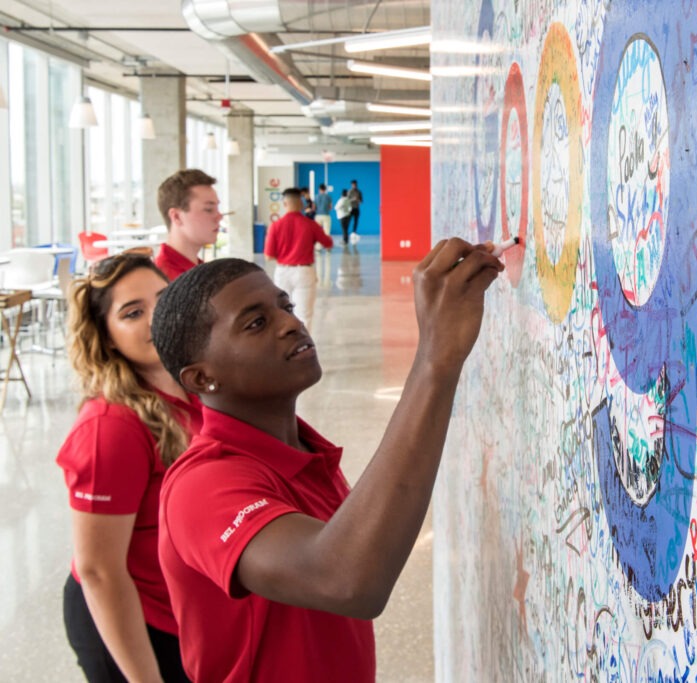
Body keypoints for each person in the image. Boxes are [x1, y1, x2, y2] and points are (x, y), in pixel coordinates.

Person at [149, 240, 501, 682]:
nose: (291, 324)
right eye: (257, 323)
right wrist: (435, 359)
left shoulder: (303, 453)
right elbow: (347, 579)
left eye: (286, 305)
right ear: (203, 378)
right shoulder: (202, 485)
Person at [57, 253, 203, 683]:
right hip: (130, 623)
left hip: (179, 611)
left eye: (164, 299)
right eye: (133, 312)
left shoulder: (192, 387)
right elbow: (99, 571)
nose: (157, 318)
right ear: (108, 337)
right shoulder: (111, 428)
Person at [264, 187, 334, 332]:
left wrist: (285, 256)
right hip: (305, 272)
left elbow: (269, 255)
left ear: (284, 204)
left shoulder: (275, 226)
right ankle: (303, 349)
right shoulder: (310, 225)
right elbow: (328, 243)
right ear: (301, 204)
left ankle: (284, 349)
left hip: (282, 271)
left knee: (282, 313)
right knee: (304, 315)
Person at [155, 169, 222, 281]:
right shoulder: (165, 281)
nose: (219, 216)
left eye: (217, 208)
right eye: (209, 209)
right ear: (176, 216)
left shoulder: (199, 270)